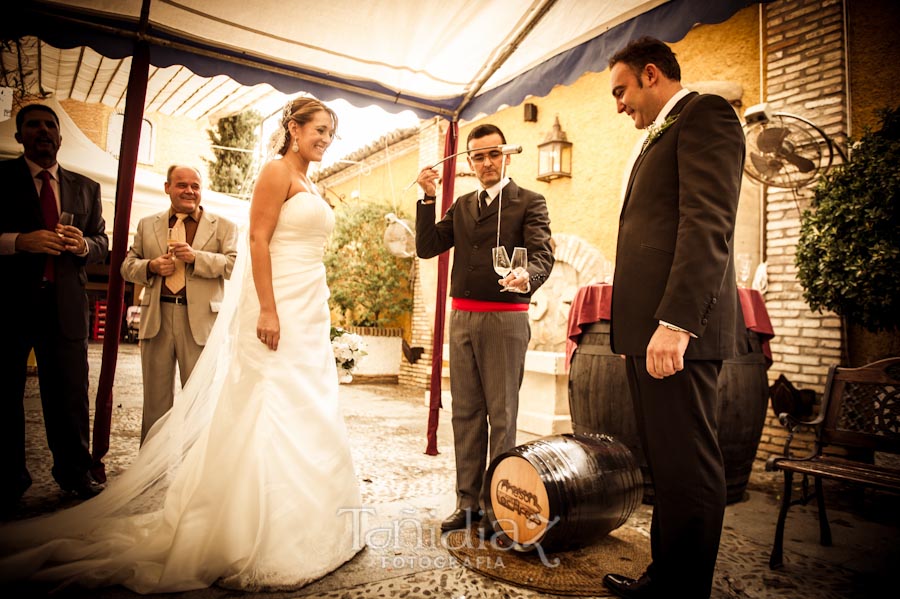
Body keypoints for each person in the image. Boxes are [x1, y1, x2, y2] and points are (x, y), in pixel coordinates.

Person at [0, 97, 363, 592]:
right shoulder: (276, 172)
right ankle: (253, 526)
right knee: (268, 401)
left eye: (330, 133)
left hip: (308, 304)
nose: (324, 139)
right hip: (277, 303)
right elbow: (258, 242)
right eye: (318, 129)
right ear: (293, 129)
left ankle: (311, 517)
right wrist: (269, 309)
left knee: (309, 403)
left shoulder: (311, 183)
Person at [602, 37, 745, 599]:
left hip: (676, 330)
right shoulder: (662, 131)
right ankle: (665, 579)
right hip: (648, 332)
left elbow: (706, 224)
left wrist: (676, 323)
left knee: (688, 465)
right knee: (667, 465)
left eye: (621, 91)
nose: (618, 105)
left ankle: (684, 592)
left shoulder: (705, 114)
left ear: (651, 74)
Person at [415, 124, 554, 537]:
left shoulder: (530, 201)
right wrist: (426, 197)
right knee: (466, 414)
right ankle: (468, 503)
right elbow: (426, 246)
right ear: (470, 162)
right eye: (478, 156)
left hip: (505, 319)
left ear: (505, 155)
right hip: (462, 319)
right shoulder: (460, 205)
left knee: (502, 415)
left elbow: (543, 254)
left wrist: (525, 277)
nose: (487, 162)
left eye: (493, 154)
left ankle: (500, 506)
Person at [0, 103, 109, 511]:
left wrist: (83, 244)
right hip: (10, 304)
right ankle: (8, 481)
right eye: (34, 125)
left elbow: (102, 241)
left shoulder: (87, 187)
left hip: (65, 306)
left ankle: (75, 473)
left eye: (50, 125)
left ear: (60, 138)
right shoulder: (2, 178)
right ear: (20, 135)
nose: (43, 131)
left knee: (69, 393)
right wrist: (18, 242)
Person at [121, 165, 239, 443]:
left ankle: (193, 474)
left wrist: (196, 257)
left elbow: (234, 266)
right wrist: (150, 266)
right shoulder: (147, 223)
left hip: (200, 322)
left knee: (199, 401)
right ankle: (150, 475)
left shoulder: (223, 226)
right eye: (182, 185)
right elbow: (127, 266)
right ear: (167, 188)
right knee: (155, 403)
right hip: (157, 318)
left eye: (195, 186)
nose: (189, 191)